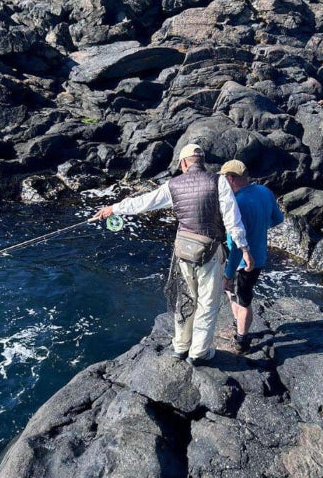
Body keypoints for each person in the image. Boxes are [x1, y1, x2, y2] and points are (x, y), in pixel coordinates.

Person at [93, 144, 254, 365]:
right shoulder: (219, 182)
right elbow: (232, 219)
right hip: (210, 250)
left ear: (184, 163)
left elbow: (144, 203)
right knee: (207, 303)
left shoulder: (173, 184)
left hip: (183, 251)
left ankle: (180, 347)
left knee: (185, 300)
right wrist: (244, 249)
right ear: (202, 161)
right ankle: (199, 353)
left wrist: (114, 208)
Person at [220, 159, 284, 354]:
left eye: (223, 179)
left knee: (243, 300)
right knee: (241, 294)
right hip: (260, 256)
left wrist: (228, 275)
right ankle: (238, 323)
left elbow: (239, 248)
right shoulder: (264, 191)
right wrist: (260, 228)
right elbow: (278, 218)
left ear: (230, 179)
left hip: (243, 262)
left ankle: (242, 340)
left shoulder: (236, 204)